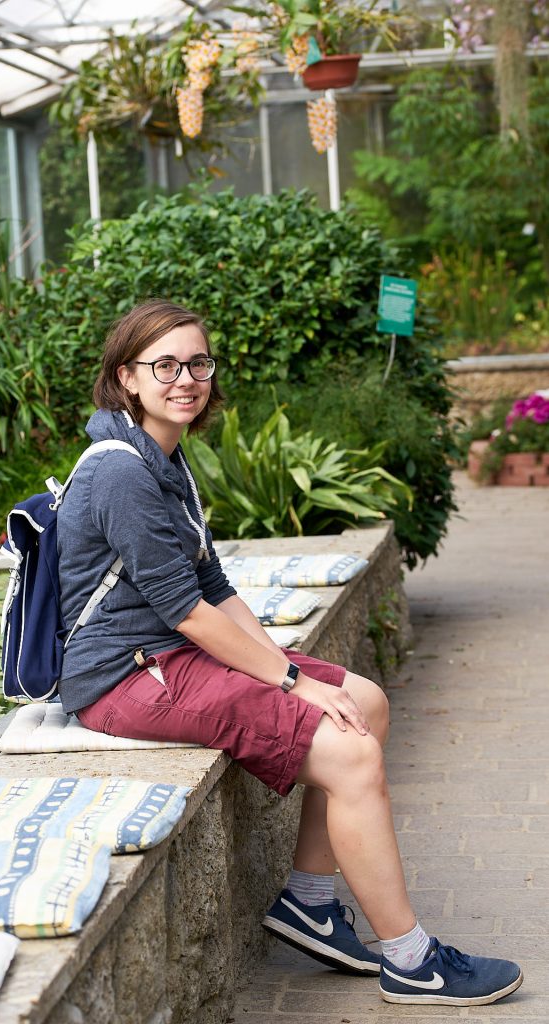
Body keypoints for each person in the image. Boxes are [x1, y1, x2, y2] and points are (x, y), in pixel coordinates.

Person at [57, 299, 523, 1007]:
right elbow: (186, 613)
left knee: (362, 700)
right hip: (125, 678)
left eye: (198, 362)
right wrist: (290, 680)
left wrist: (288, 668)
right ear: (126, 376)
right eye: (165, 365)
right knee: (350, 751)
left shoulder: (163, 457)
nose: (186, 378)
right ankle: (411, 960)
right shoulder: (121, 471)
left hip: (168, 658)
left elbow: (210, 583)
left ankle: (308, 903)